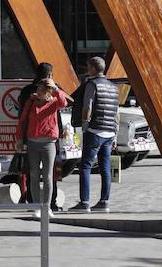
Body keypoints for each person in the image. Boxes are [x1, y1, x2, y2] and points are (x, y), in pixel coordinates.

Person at [69, 56, 119, 212]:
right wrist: (115, 133)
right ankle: (104, 202)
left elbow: (87, 107)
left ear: (92, 69)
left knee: (85, 166)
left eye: (88, 67)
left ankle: (84, 202)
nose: (87, 69)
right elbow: (117, 113)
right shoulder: (113, 87)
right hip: (109, 132)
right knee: (105, 167)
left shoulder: (92, 84)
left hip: (95, 130)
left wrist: (85, 125)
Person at [17, 76, 70, 207]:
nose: (38, 92)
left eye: (41, 89)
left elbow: (64, 103)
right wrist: (19, 138)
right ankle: (36, 205)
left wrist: (56, 88)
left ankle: (46, 206)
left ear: (48, 91)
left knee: (47, 176)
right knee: (34, 175)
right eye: (38, 89)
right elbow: (22, 120)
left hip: (48, 143)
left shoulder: (54, 102)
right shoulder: (31, 102)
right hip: (32, 142)